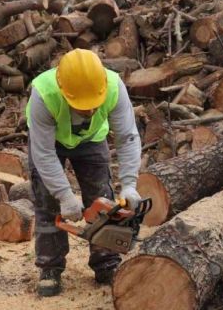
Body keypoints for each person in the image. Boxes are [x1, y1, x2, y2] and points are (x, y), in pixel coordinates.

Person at [25, 48, 142, 296]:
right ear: (64, 90)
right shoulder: (44, 94)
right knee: (47, 202)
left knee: (103, 199)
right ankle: (50, 267)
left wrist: (130, 183)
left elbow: (127, 136)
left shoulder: (113, 86)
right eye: (82, 105)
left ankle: (107, 263)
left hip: (92, 139)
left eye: (92, 105)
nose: (89, 111)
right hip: (49, 143)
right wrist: (65, 195)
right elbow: (44, 153)